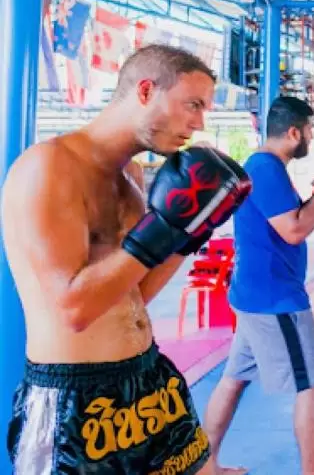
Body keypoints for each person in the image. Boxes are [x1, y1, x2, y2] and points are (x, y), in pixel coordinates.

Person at [0, 44, 251, 475]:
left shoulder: (132, 180)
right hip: (75, 403)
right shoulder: (49, 167)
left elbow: (137, 291)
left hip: (148, 378)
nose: (200, 122)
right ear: (146, 91)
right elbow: (73, 310)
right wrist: (163, 229)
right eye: (192, 105)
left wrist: (192, 233)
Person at [201, 96, 314, 475]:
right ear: (293, 132)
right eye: (310, 131)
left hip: (257, 294)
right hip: (274, 299)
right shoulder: (265, 167)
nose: (312, 138)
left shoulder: (268, 168)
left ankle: (205, 465)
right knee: (313, 386)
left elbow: (291, 219)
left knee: (233, 381)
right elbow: (295, 229)